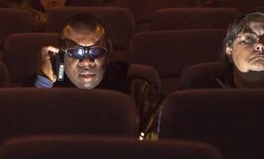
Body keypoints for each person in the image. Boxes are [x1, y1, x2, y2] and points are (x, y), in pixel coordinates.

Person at [27, 13, 164, 139]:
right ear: (60, 55)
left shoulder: (139, 92)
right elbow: (27, 140)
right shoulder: (45, 87)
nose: (87, 62)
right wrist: (43, 83)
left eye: (96, 51)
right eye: (75, 52)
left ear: (108, 53)